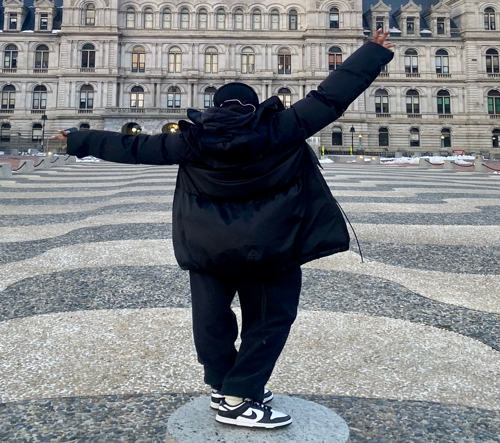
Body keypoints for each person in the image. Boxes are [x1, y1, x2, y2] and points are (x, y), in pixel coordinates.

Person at [56, 30, 394, 429]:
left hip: (207, 247)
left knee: (211, 318)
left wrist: (80, 139)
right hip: (273, 246)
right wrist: (371, 54)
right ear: (255, 106)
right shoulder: (283, 127)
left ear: (214, 107)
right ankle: (239, 396)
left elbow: (134, 148)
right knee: (269, 319)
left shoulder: (190, 140)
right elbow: (329, 98)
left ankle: (223, 384)